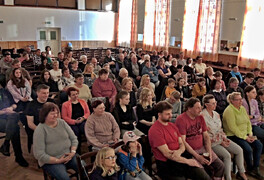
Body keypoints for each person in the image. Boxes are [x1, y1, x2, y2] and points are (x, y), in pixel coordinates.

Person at [149, 101, 211, 180]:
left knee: (204, 177)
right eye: (167, 114)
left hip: (181, 158)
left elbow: (182, 144)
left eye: (171, 113)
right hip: (167, 165)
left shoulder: (172, 125)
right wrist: (187, 161)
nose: (171, 116)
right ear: (159, 115)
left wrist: (178, 152)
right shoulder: (155, 130)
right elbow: (168, 154)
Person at [176, 98, 225, 179]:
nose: (200, 110)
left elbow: (206, 136)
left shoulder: (200, 117)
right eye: (197, 108)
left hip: (203, 148)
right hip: (190, 151)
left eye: (200, 107)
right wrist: (197, 156)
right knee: (204, 176)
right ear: (189, 108)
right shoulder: (181, 119)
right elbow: (183, 141)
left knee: (220, 166)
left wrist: (209, 152)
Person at [202, 95, 247, 180]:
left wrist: (224, 138)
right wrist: (221, 141)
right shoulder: (202, 116)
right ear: (206, 105)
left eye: (215, 103)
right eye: (212, 103)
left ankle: (241, 173)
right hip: (211, 143)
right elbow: (206, 135)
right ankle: (228, 177)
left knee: (239, 150)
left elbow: (220, 129)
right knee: (227, 156)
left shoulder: (216, 114)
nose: (215, 105)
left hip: (220, 139)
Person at [223, 92, 264, 179]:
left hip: (245, 134)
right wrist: (246, 137)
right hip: (233, 135)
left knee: (259, 145)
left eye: (241, 99)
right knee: (248, 149)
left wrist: (250, 134)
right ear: (232, 101)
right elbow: (233, 128)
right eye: (238, 100)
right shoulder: (229, 111)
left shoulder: (242, 108)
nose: (241, 101)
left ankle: (255, 168)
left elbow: (248, 122)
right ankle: (249, 168)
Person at [33, 102, 78, 180]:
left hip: (69, 155)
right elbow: (39, 154)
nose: (56, 115)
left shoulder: (62, 122)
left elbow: (74, 139)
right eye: (52, 113)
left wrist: (72, 152)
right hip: (51, 161)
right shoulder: (40, 129)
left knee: (85, 169)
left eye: (57, 113)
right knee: (64, 178)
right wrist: (58, 160)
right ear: (45, 115)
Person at [0, 85, 29, 167]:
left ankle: (6, 144)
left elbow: (15, 104)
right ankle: (18, 156)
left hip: (8, 117)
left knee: (14, 123)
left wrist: (11, 108)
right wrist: (4, 112)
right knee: (15, 128)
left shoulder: (5, 91)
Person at [61, 87, 90, 154]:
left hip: (82, 121)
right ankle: (77, 152)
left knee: (87, 130)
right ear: (69, 96)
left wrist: (83, 118)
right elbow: (64, 117)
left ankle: (91, 148)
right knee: (75, 133)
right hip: (72, 123)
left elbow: (87, 113)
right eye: (73, 95)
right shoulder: (65, 104)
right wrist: (74, 121)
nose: (76, 96)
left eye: (76, 94)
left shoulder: (83, 102)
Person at [24, 84, 52, 152]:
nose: (46, 95)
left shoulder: (51, 102)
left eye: (47, 93)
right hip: (38, 128)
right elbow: (30, 123)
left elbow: (58, 117)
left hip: (51, 127)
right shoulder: (31, 105)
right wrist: (41, 130)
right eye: (43, 93)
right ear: (37, 93)